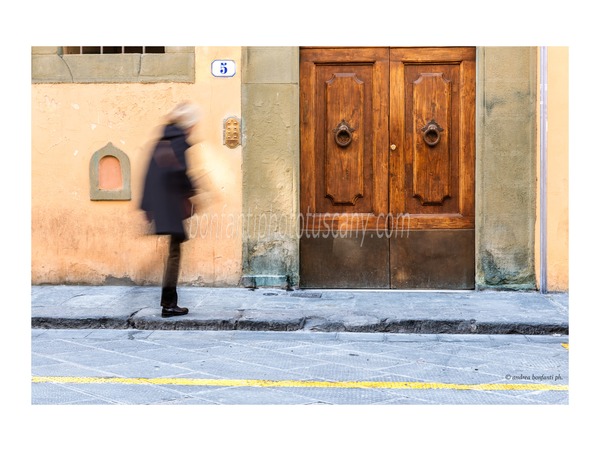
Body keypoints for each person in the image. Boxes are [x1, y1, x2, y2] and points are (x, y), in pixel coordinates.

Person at [141, 102, 200, 317]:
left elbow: (148, 174)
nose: (194, 128)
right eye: (194, 124)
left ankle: (168, 302)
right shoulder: (179, 142)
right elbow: (181, 172)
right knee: (174, 253)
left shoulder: (162, 139)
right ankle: (168, 304)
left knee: (173, 252)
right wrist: (193, 190)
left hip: (162, 205)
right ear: (188, 124)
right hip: (172, 205)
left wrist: (146, 206)